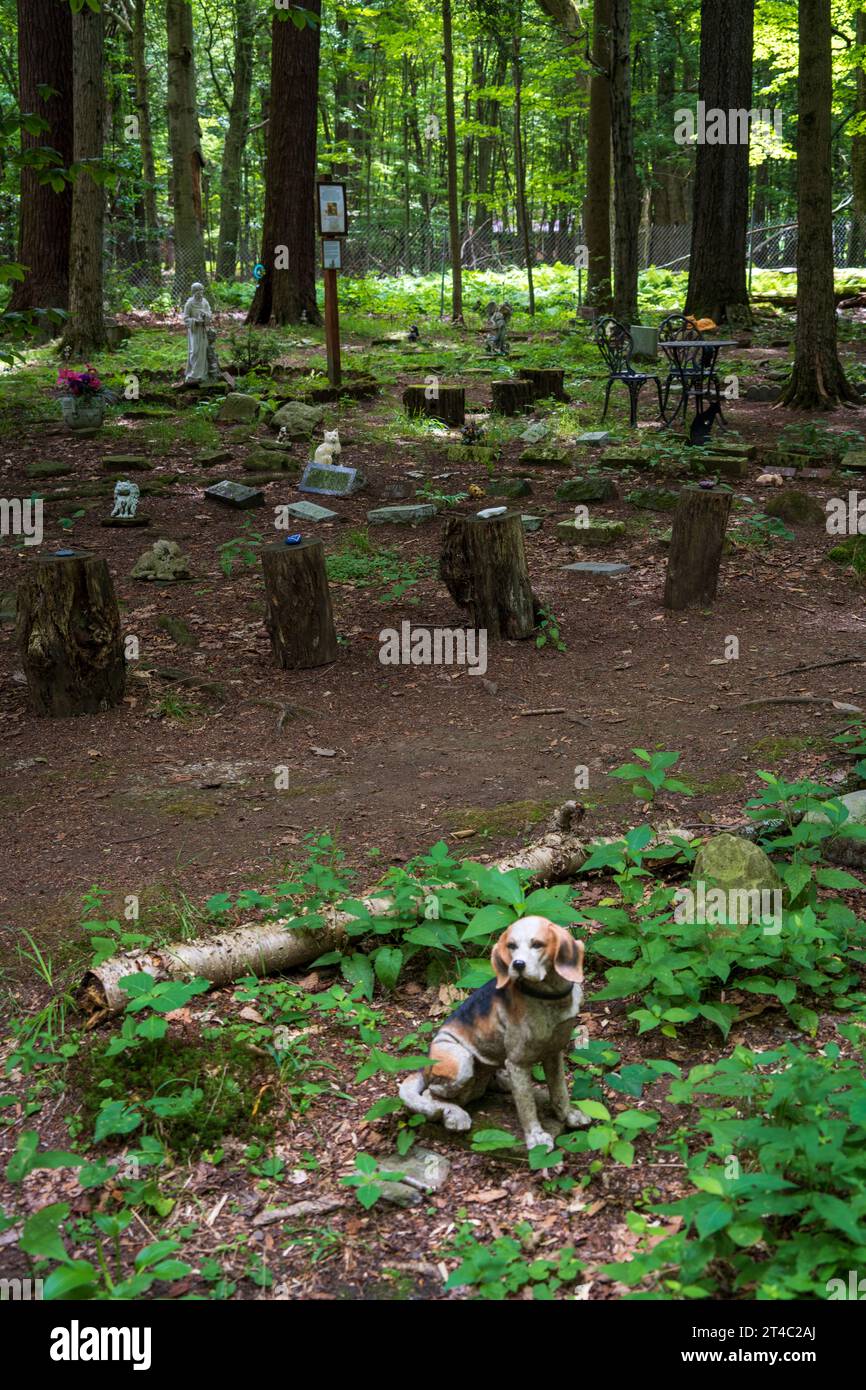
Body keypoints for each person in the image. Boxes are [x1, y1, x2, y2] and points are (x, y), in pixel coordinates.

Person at [183, 283, 214, 383]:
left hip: (203, 330)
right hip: (194, 331)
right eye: (197, 292)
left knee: (203, 351)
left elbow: (210, 314)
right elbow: (185, 319)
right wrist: (195, 321)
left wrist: (206, 316)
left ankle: (202, 374)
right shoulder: (189, 304)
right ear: (193, 293)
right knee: (194, 351)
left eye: (201, 291)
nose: (200, 294)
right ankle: (193, 373)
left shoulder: (205, 302)